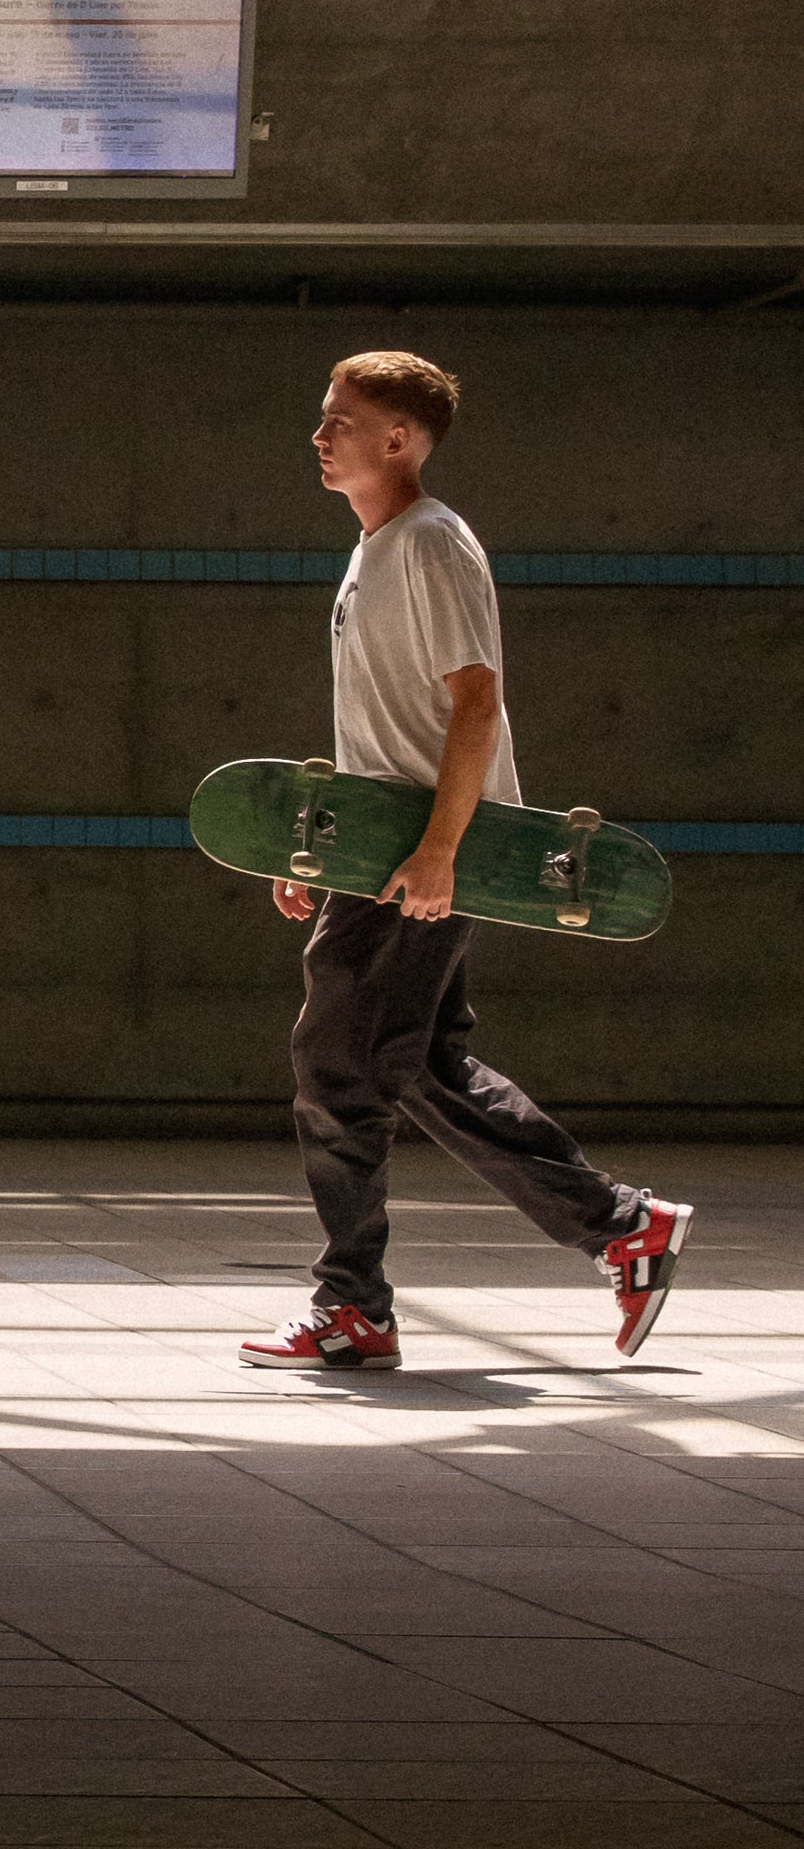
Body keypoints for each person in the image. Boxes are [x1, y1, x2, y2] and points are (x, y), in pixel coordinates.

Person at [244, 349, 686, 1374]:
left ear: (397, 440)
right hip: (387, 853)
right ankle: (624, 1226)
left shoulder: (432, 544)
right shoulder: (372, 550)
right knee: (411, 1062)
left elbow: (474, 702)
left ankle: (354, 1305)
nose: (319, 434)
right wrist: (322, 848)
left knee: (341, 1062)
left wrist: (442, 849)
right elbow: (379, 739)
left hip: (428, 854)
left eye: (339, 420)